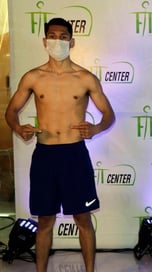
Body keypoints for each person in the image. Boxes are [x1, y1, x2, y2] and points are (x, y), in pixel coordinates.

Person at [5, 18, 115, 272]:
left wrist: (96, 128)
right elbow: (11, 112)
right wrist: (19, 128)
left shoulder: (85, 78)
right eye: (52, 36)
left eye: (63, 36)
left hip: (74, 154)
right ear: (45, 41)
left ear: (71, 41)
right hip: (45, 155)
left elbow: (108, 114)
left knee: (83, 218)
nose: (58, 41)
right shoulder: (33, 77)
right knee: (45, 220)